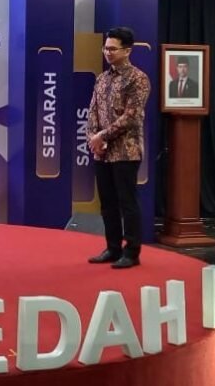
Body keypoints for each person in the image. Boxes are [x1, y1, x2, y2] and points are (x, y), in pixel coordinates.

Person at [87, 27, 150, 269]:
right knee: (107, 203)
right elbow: (92, 111)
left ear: (127, 51)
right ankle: (112, 248)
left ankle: (131, 252)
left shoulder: (138, 79)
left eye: (113, 49)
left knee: (127, 203)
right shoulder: (102, 78)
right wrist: (94, 139)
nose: (108, 52)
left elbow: (131, 117)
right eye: (106, 48)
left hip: (126, 150)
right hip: (102, 152)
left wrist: (103, 135)